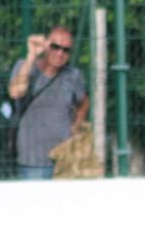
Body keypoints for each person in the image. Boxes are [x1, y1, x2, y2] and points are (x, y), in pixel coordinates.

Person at [7, 24, 89, 180]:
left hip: (65, 158)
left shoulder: (73, 75)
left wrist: (77, 125)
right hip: (33, 160)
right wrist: (31, 55)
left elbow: (83, 102)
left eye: (66, 50)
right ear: (46, 46)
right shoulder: (25, 67)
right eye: (55, 47)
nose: (60, 53)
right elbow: (16, 92)